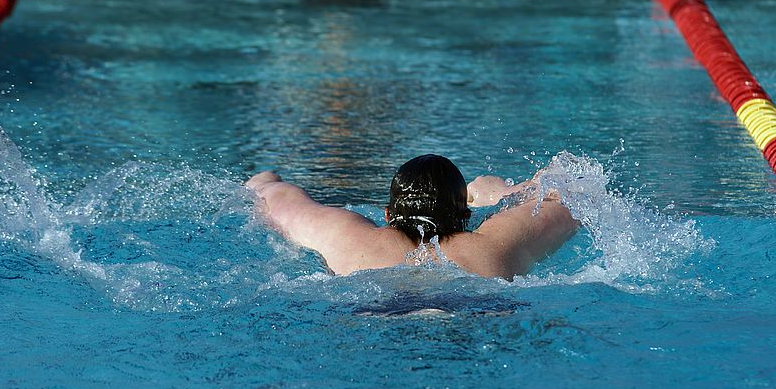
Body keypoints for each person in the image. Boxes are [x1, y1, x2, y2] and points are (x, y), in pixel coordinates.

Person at [246, 154, 577, 280]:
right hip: (475, 321)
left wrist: (267, 179)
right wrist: (499, 195)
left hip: (373, 319)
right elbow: (573, 187)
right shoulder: (494, 245)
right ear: (465, 216)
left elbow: (268, 195)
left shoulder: (348, 238)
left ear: (388, 214)